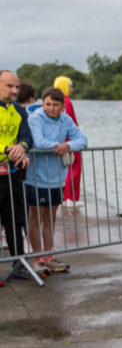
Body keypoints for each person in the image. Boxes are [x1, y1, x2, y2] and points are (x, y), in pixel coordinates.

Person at [24, 87, 87, 273]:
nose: (50, 108)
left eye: (55, 105)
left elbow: (82, 140)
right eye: (47, 104)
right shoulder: (35, 118)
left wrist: (68, 145)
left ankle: (49, 256)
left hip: (56, 178)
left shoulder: (65, 118)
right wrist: (60, 146)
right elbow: (39, 142)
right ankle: (37, 257)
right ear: (42, 103)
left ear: (62, 106)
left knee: (50, 219)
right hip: (36, 177)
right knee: (35, 218)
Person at [1, 70, 35, 281]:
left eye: (17, 86)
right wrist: (8, 150)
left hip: (12, 175)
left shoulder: (18, 111)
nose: (15, 91)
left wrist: (21, 148)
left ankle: (18, 266)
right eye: (9, 86)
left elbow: (27, 137)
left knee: (15, 220)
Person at [53, 76, 82, 209]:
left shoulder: (55, 101)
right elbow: (71, 124)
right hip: (70, 141)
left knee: (66, 168)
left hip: (60, 140)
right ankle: (71, 198)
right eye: (70, 86)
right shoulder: (66, 102)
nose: (72, 89)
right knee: (74, 168)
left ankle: (67, 197)